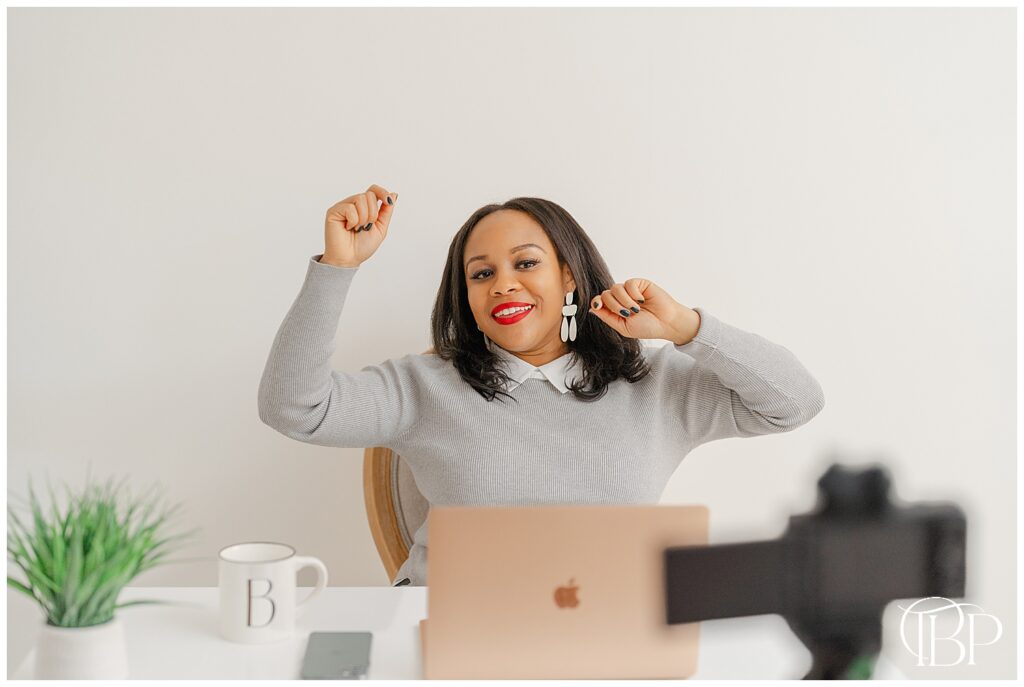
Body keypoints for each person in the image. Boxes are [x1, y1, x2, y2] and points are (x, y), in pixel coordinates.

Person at [258, 183, 825, 587]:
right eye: (481, 274)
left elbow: (795, 403)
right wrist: (338, 267)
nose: (503, 285)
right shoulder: (421, 385)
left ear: (569, 277)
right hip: (449, 632)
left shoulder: (654, 381)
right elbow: (292, 408)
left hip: (611, 636)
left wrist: (687, 329)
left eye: (525, 264)